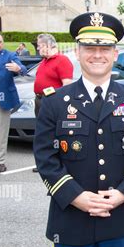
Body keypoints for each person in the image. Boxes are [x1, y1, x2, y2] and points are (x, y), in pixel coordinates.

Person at [33, 12, 124, 247]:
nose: (97, 55)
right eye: (89, 47)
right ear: (77, 52)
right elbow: (46, 158)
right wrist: (75, 196)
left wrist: (123, 193)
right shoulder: (54, 102)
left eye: (106, 48)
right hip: (71, 217)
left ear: (115, 54)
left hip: (121, 216)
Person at [0, 31, 27, 172]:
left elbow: (23, 69)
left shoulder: (9, 55)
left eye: (0, 41)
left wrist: (18, 68)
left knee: (0, 132)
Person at [32, 34, 73, 173]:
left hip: (52, 103)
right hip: (40, 100)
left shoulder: (62, 60)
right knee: (43, 134)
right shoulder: (45, 61)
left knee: (53, 134)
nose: (38, 48)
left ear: (48, 45)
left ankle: (55, 163)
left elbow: (66, 85)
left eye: (40, 45)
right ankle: (43, 162)